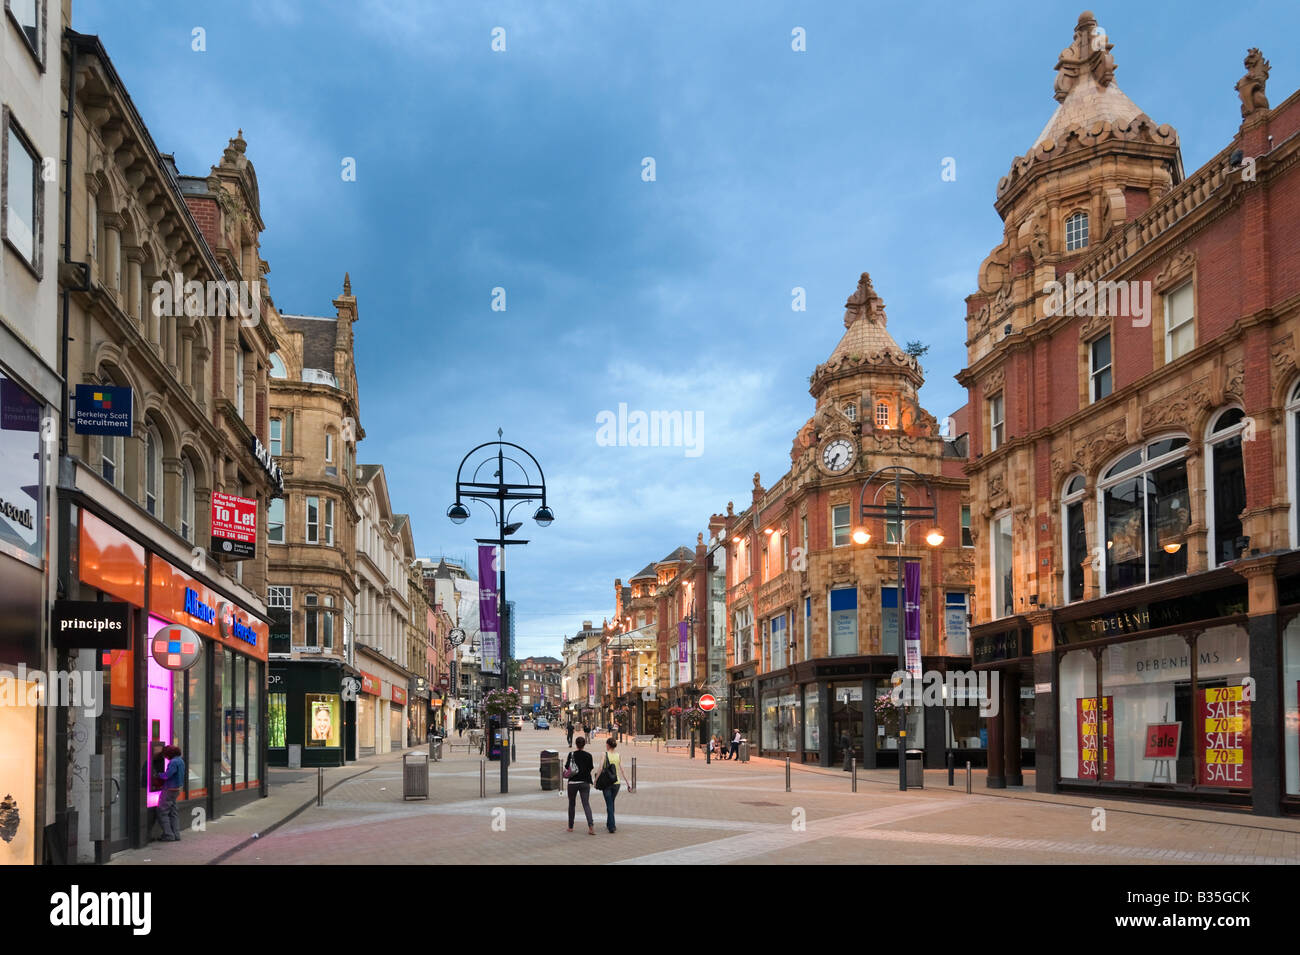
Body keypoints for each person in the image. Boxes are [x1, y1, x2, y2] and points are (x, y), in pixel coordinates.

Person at [597, 737, 629, 833]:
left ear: (608, 745)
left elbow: (600, 768)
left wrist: (596, 779)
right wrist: (628, 783)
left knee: (609, 804)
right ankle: (609, 823)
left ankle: (612, 826)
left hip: (607, 783)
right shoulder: (618, 755)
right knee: (611, 803)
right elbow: (623, 770)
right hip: (616, 783)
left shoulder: (604, 754)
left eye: (606, 744)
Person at [565, 736, 595, 835]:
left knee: (572, 804)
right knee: (586, 804)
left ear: (576, 744)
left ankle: (570, 826)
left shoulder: (571, 754)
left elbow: (567, 767)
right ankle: (591, 827)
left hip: (572, 782)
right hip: (585, 782)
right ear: (584, 744)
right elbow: (590, 768)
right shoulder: (589, 755)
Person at [158, 745, 185, 842]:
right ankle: (176, 834)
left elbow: (167, 775)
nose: (164, 756)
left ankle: (168, 835)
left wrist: (158, 775)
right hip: (177, 790)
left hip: (169, 789)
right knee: (173, 813)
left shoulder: (173, 762)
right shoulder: (181, 760)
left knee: (162, 812)